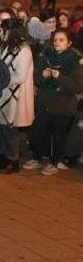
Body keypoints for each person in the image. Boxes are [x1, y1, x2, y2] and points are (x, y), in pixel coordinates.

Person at [24, 29, 83, 175]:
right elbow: (36, 78)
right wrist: (43, 75)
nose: (57, 42)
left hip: (63, 105)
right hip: (45, 103)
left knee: (58, 136)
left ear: (69, 43)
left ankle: (54, 162)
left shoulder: (75, 61)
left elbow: (76, 86)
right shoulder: (46, 56)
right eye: (56, 39)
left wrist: (59, 77)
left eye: (61, 40)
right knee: (36, 132)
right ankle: (37, 158)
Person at [0, 19, 34, 174]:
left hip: (15, 96)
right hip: (3, 93)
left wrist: (0, 80)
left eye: (2, 30)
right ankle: (0, 157)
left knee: (10, 130)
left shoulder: (24, 50)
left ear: (10, 32)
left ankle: (12, 160)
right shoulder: (4, 46)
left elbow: (20, 76)